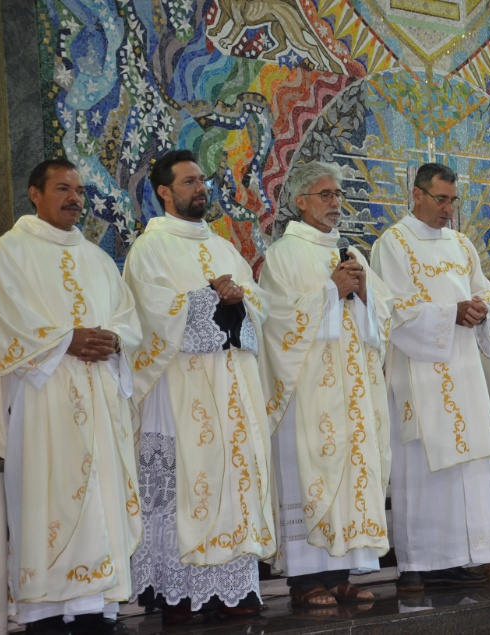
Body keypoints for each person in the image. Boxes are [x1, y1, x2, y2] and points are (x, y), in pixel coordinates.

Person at [0, 160, 142, 634]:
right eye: (61, 188)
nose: (74, 197)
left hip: (99, 398)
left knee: (100, 498)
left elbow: (127, 318)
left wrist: (115, 342)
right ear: (34, 194)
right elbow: (2, 321)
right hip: (43, 400)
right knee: (48, 498)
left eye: (78, 189)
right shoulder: (8, 253)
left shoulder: (95, 258)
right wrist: (63, 340)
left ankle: (96, 607)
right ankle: (44, 612)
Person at [124, 150, 274, 624]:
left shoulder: (225, 246)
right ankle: (183, 591)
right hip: (179, 389)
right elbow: (150, 314)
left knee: (234, 478)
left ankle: (236, 587)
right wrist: (210, 298)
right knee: (188, 482)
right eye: (188, 182)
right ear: (165, 192)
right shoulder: (150, 248)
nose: (200, 189)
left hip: (230, 383)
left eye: (202, 181)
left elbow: (258, 305)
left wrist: (237, 300)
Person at [259, 162, 393, 608]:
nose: (335, 203)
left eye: (338, 195)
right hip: (310, 390)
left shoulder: (353, 252)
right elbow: (275, 322)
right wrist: (329, 293)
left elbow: (382, 321)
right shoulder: (283, 255)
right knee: (310, 476)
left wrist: (365, 293)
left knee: (352, 476)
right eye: (325, 195)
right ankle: (305, 580)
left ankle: (343, 575)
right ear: (300, 202)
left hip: (352, 388)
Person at [370, 163, 490, 591]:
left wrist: (482, 311)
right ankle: (422, 562)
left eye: (453, 200)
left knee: (467, 467)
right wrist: (451, 314)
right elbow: (391, 309)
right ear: (417, 195)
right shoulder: (392, 243)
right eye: (441, 199)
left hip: (463, 369)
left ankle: (462, 556)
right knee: (424, 468)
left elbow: (485, 291)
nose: (448, 208)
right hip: (420, 374)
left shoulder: (462, 244)